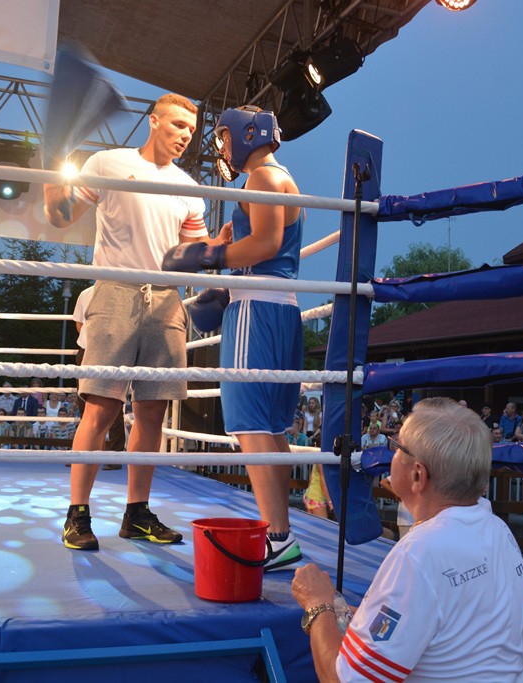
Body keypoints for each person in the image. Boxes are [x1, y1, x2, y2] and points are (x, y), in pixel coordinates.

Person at [44, 92, 213, 551]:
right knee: (100, 407)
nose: (185, 135)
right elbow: (61, 217)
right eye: (178, 125)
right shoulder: (108, 163)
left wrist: (218, 247)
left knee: (153, 411)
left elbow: (191, 257)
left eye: (191, 130)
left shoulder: (190, 189)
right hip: (114, 292)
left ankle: (136, 514)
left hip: (166, 301)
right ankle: (77, 515)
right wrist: (49, 168)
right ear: (154, 121)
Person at [291, 398, 523, 681]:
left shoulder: (420, 553)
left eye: (397, 446)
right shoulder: (497, 530)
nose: (389, 452)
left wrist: (318, 604)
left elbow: (344, 680)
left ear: (418, 475)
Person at [162, 105, 304, 571]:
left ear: (247, 133)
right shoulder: (280, 178)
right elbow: (263, 244)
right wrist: (224, 245)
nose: (222, 146)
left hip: (256, 312)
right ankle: (280, 533)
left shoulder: (261, 178)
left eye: (224, 137)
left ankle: (278, 539)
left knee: (250, 426)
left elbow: (263, 245)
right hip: (283, 311)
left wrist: (210, 255)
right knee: (272, 428)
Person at [72, 284, 126, 471]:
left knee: (113, 400)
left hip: (113, 349)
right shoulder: (85, 294)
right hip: (87, 350)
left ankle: (115, 455)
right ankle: (86, 452)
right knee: (83, 402)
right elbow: (79, 324)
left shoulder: (122, 294)